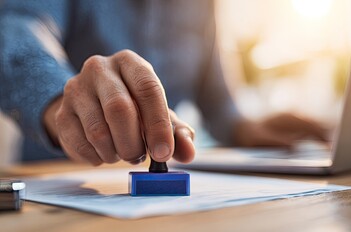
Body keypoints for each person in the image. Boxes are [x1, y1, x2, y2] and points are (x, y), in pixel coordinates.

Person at [0, 0, 327, 166]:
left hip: (170, 214)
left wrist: (250, 128)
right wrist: (61, 99)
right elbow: (16, 29)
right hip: (56, 187)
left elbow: (220, 106)